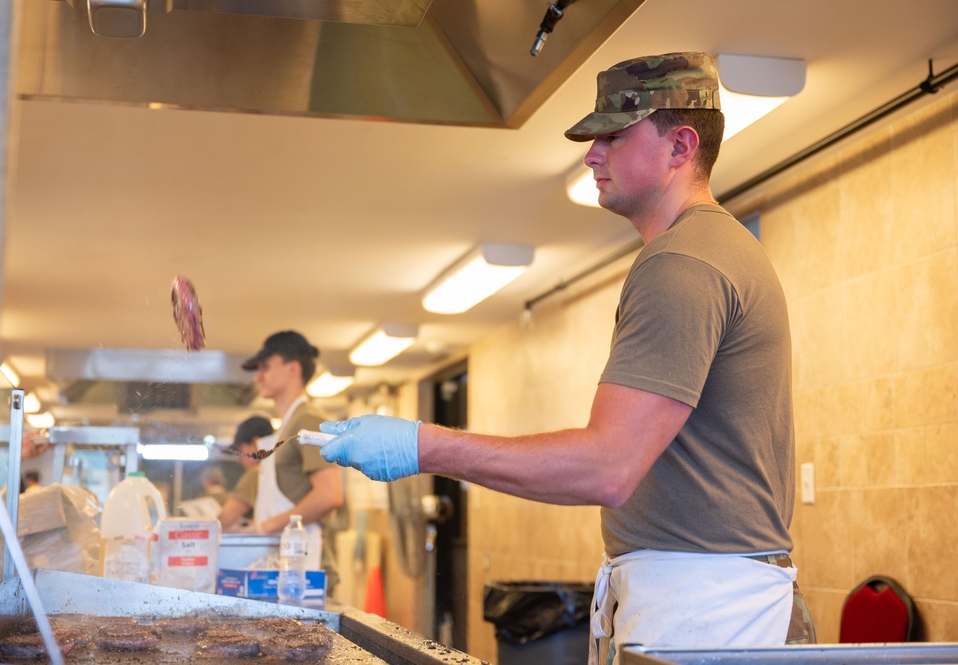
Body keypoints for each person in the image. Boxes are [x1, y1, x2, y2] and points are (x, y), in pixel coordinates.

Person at [318, 52, 815, 660]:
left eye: (612, 135)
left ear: (681, 146)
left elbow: (607, 466)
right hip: (700, 596)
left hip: (706, 612)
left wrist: (418, 445)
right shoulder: (713, 249)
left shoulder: (682, 263)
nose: (591, 154)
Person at [241, 331, 344, 578]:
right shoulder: (286, 426)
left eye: (266, 367)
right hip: (287, 559)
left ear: (293, 369)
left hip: (306, 561)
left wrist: (265, 527)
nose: (258, 377)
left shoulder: (307, 420)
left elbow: (330, 495)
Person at [216, 415, 273, 531]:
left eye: (240, 451)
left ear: (256, 443)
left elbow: (223, 521)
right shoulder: (276, 471)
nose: (239, 459)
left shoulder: (256, 474)